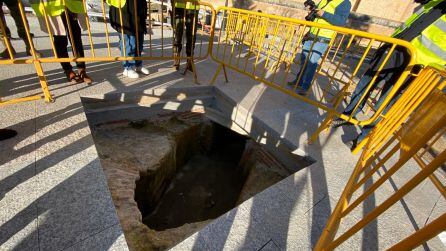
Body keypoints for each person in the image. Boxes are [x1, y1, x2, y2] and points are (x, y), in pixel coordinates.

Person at [333, 0, 446, 150]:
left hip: (416, 65)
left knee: (386, 103)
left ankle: (362, 138)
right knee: (365, 84)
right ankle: (348, 115)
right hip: (394, 49)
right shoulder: (434, 2)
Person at [288, 0, 352, 95]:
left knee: (312, 62)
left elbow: (341, 22)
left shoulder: (344, 2)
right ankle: (299, 81)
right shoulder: (324, 0)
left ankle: (305, 86)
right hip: (312, 34)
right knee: (304, 60)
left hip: (323, 38)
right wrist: (311, 11)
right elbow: (315, 17)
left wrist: (324, 14)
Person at [30, 0, 92, 84]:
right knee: (60, 39)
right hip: (53, 7)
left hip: (70, 4)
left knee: (76, 38)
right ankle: (68, 70)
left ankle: (82, 70)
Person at [108, 0, 149, 79]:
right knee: (129, 43)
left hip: (137, 9)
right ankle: (128, 68)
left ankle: (138, 65)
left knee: (139, 43)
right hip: (124, 11)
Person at [171, 0, 199, 71]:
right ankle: (176, 58)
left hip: (193, 8)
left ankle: (189, 60)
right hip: (178, 7)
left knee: (192, 36)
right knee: (177, 35)